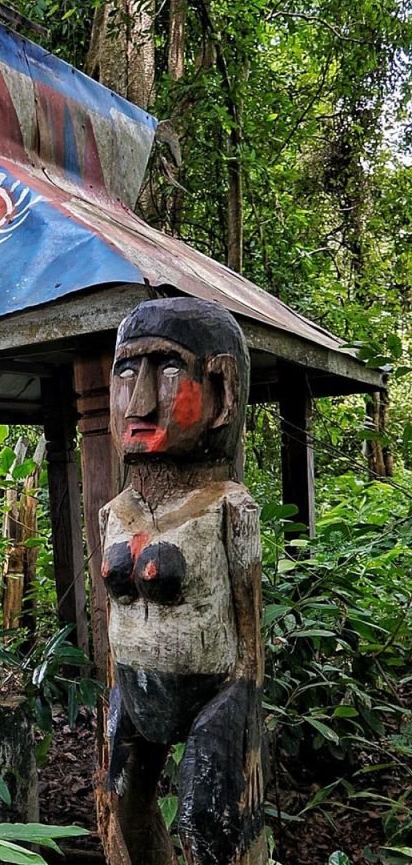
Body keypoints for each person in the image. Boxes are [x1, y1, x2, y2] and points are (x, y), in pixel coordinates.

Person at [101, 297, 266, 865]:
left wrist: (242, 695)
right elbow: (113, 622)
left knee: (211, 828)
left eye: (168, 371)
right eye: (127, 372)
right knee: (122, 817)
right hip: (130, 688)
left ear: (221, 390)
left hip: (214, 694)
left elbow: (248, 621)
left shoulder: (228, 506)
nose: (141, 399)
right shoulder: (116, 512)